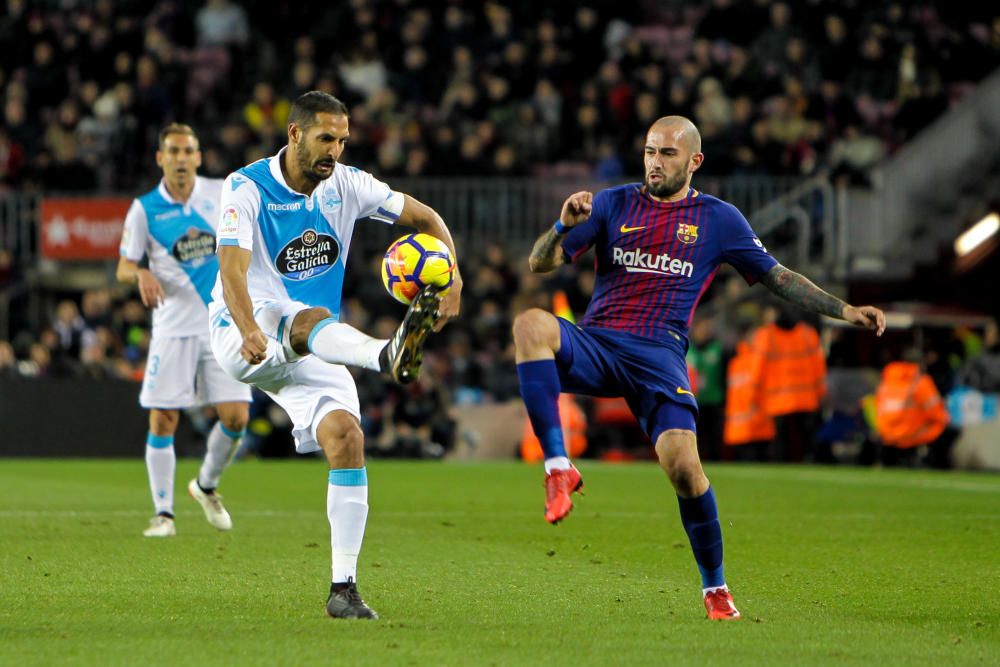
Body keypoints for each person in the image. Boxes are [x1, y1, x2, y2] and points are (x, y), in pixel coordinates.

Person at [512, 115, 885, 620]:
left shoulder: (719, 219)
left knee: (685, 471)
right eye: (649, 152)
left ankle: (715, 589)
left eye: (667, 154)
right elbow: (540, 264)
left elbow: (778, 277)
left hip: (659, 357)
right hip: (598, 342)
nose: (655, 163)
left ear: (694, 160)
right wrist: (562, 226)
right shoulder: (612, 203)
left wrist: (845, 311)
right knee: (530, 324)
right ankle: (558, 467)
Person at [210, 91, 462, 619]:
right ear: (295, 134)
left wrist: (454, 276)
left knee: (347, 437)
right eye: (326, 138)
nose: (336, 151)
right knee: (303, 317)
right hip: (243, 332)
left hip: (314, 345)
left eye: (343, 140)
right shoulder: (245, 188)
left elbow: (427, 217)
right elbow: (231, 270)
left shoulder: (348, 184)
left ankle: (343, 589)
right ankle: (384, 355)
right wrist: (248, 325)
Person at [117, 123, 252, 538]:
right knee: (163, 419)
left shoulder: (221, 192)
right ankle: (164, 514)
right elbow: (124, 264)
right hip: (173, 327)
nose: (180, 158)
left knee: (236, 417)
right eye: (172, 151)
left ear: (198, 156)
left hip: (222, 322)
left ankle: (206, 485)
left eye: (187, 150)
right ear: (160, 158)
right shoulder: (145, 208)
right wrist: (139, 273)